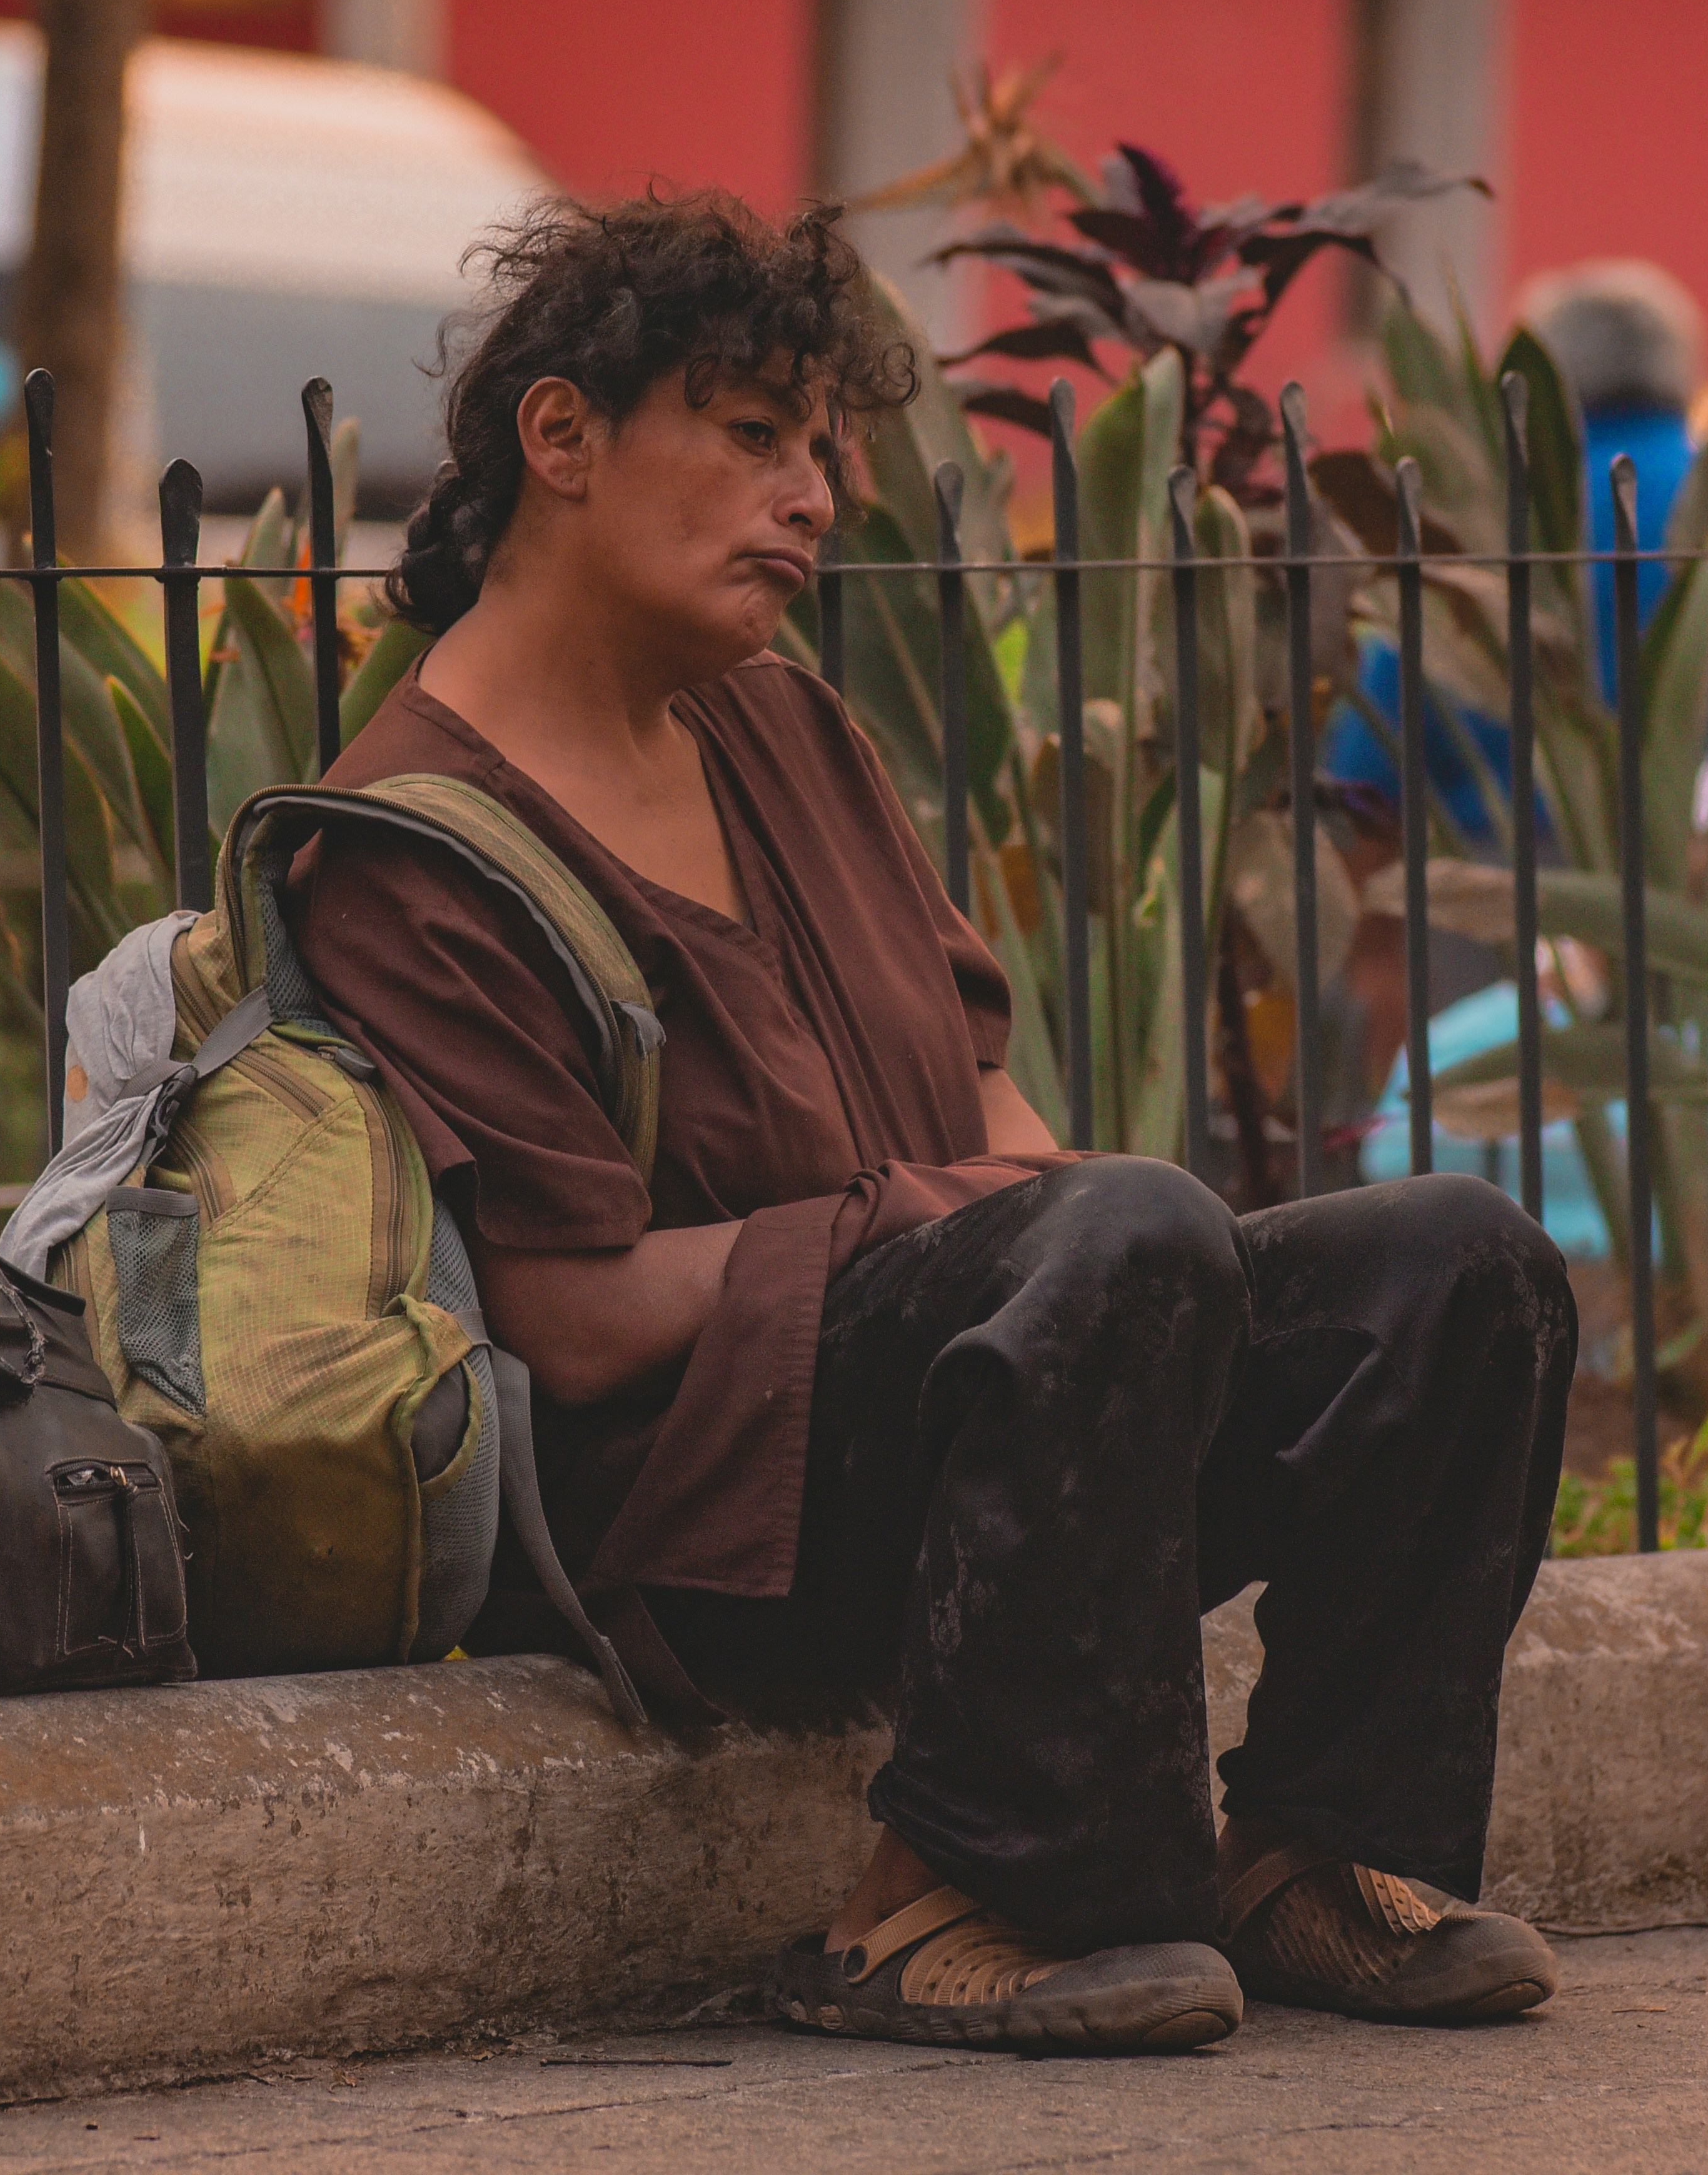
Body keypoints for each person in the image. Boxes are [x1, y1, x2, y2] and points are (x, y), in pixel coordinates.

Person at [287, 191, 1579, 2057]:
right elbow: (567, 1323)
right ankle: (946, 1897)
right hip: (712, 1523)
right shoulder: (413, 848)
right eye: (754, 440)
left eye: (824, 451)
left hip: (1000, 1427)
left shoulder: (786, 731)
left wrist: (1072, 1252)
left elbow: (992, 1100)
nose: (815, 496)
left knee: (1457, 1265)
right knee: (1105, 1233)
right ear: (560, 439)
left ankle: (1311, 1850)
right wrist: (969, 1229)